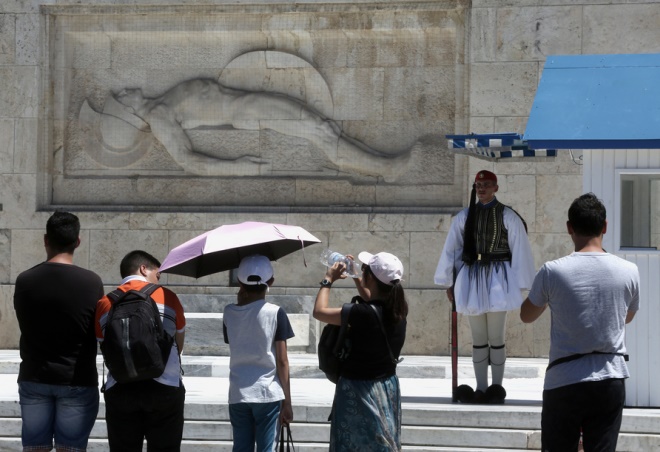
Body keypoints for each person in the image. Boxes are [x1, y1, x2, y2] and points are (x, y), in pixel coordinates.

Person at [520, 193, 640, 452]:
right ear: (605, 226)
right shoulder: (629, 271)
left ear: (569, 228)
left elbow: (526, 315)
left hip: (564, 379)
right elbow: (627, 317)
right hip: (610, 378)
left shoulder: (552, 271)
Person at [434, 170, 535, 403]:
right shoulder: (464, 217)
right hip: (472, 277)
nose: (481, 189)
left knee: (496, 336)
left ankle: (496, 388)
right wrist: (450, 281)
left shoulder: (508, 216)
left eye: (487, 185)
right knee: (479, 337)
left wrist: (521, 286)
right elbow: (453, 250)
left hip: (499, 278)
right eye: (478, 185)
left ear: (496, 188)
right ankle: (481, 388)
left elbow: (520, 251)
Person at [13, 210, 104, 452]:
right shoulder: (92, 282)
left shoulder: (25, 280)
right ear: (78, 241)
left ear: (46, 239)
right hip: (77, 378)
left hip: (34, 376)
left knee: (35, 448)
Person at [314, 250, 408, 451]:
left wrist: (328, 279)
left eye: (365, 269)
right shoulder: (398, 311)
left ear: (371, 278)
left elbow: (319, 312)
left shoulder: (362, 314)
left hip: (358, 391)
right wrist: (358, 276)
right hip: (386, 387)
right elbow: (372, 300)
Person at [95, 250, 186, 452]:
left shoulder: (104, 303)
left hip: (120, 386)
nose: (158, 280)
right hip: (164, 386)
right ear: (144, 269)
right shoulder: (168, 297)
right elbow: (179, 340)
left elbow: (104, 345)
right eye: (157, 274)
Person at [222, 254, 294, 451]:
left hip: (238, 392)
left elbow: (236, 341)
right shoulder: (275, 312)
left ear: (239, 281)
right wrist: (287, 401)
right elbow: (282, 361)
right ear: (271, 281)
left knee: (241, 447)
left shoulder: (229, 312)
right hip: (266, 392)